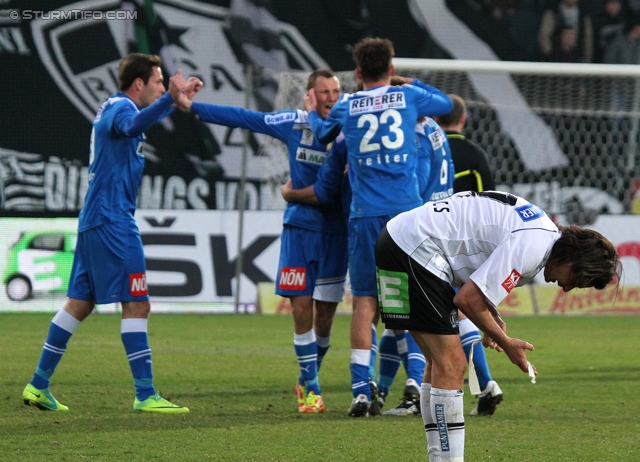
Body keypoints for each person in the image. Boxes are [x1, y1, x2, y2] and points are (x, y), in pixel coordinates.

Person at [375, 190, 621, 460]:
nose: (567, 288)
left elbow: (474, 276)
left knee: (438, 363)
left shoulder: (542, 234)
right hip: (415, 249)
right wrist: (507, 343)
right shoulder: (533, 247)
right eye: (575, 280)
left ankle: (440, 457)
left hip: (402, 240)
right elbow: (467, 300)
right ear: (573, 259)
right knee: (452, 363)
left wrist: (492, 315)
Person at [22, 53, 201, 413]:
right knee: (137, 303)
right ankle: (145, 393)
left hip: (95, 220)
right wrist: (170, 100)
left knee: (79, 304)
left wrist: (173, 102)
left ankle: (38, 384)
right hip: (113, 221)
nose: (163, 87)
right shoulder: (122, 110)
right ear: (139, 84)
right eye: (158, 81)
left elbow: (138, 122)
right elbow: (133, 127)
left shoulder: (115, 108)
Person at [173, 69, 348, 414]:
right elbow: (243, 118)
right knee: (301, 308)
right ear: (309, 95)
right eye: (324, 91)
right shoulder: (295, 123)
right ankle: (310, 386)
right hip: (300, 228)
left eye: (336, 92)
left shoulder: (350, 128)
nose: (331, 97)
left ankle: (309, 374)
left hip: (336, 232)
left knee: (325, 318)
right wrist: (192, 107)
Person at [304, 36, 453, 417]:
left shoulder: (349, 103)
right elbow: (446, 104)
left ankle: (359, 390)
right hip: (407, 214)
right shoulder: (408, 98)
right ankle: (416, 384)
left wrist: (311, 112)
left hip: (366, 214)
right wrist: (404, 83)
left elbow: (323, 134)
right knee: (416, 300)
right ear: (390, 67)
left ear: (356, 73)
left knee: (366, 302)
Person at [434, 95, 504, 417]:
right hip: (472, 241)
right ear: (463, 120)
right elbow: (491, 197)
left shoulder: (429, 150)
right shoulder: (474, 154)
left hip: (435, 239)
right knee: (460, 309)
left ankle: (485, 383)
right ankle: (486, 382)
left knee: (446, 314)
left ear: (434, 119)